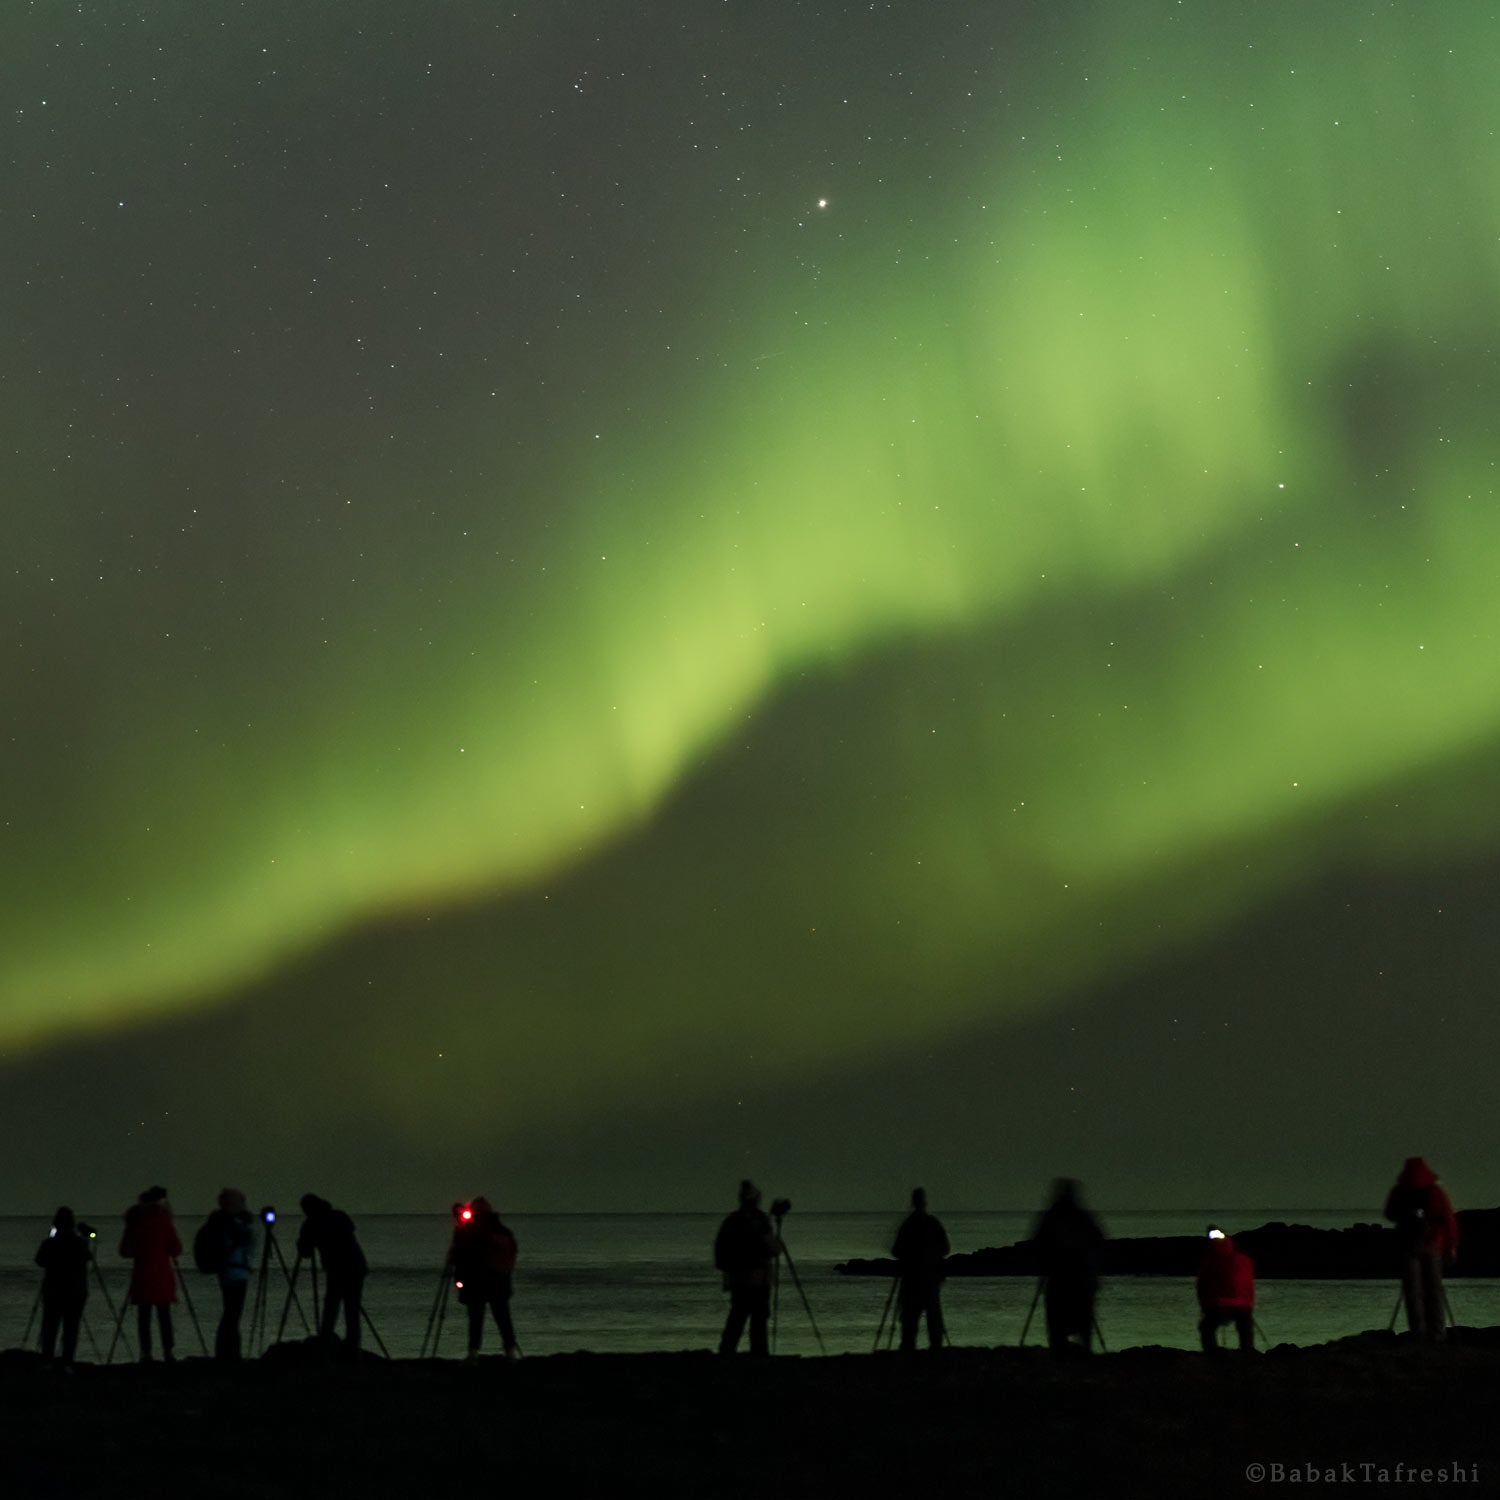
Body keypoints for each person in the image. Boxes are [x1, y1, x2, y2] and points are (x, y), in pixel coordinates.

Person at [1384, 1156, 1459, 1341]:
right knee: (1434, 1289)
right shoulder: (1435, 1192)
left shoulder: (1399, 1191)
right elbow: (1448, 1219)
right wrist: (1451, 1246)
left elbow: (1389, 1213)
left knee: (1413, 1292)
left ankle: (1418, 1332)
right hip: (1433, 1246)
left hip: (1409, 1246)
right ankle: (1437, 1333)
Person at [1031, 1178, 1106, 1354]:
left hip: (1061, 1277)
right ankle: (1083, 1352)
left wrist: (1042, 1265)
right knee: (1083, 1318)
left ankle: (1060, 1352)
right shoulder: (1082, 1217)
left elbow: (1038, 1244)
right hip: (1079, 1277)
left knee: (1058, 1320)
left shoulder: (1051, 1217)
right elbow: (1099, 1242)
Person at [713, 1180, 781, 1356]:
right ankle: (759, 1354)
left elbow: (720, 1253)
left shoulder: (731, 1221)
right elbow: (772, 1249)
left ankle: (726, 1352)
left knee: (737, 1317)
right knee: (758, 1320)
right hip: (758, 1279)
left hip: (738, 1279)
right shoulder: (760, 1221)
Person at [449, 1197, 520, 1361]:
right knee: (503, 1318)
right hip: (499, 1282)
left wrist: (459, 1282)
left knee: (476, 1319)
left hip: (476, 1283)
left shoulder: (467, 1231)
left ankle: (473, 1353)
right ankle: (510, 1352)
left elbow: (459, 1257)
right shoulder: (502, 1231)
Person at [297, 1194, 368, 1351]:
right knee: (351, 1309)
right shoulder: (339, 1216)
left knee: (332, 1306)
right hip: (355, 1266)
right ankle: (352, 1345)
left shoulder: (312, 1224)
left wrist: (307, 1239)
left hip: (339, 1269)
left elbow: (305, 1251)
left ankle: (326, 1342)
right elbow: (349, 1229)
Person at [121, 1186, 182, 1363]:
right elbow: (176, 1249)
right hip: (162, 1275)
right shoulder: (164, 1221)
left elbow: (125, 1251)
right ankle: (168, 1351)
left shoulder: (134, 1223)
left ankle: (145, 1353)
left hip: (142, 1276)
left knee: (144, 1317)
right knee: (164, 1315)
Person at [199, 1189, 256, 1362]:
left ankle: (227, 1351)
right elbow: (242, 1241)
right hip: (234, 1271)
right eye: (240, 1201)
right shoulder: (229, 1223)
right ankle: (229, 1352)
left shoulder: (224, 1222)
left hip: (234, 1271)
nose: (243, 1205)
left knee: (231, 1313)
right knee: (232, 1313)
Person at [891, 1187, 949, 1352]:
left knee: (910, 1323)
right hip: (931, 1280)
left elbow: (896, 1251)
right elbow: (945, 1248)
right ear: (925, 1202)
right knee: (934, 1320)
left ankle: (909, 1354)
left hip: (911, 1281)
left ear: (913, 1203)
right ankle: (935, 1352)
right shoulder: (933, 1223)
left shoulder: (908, 1225)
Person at [35, 1206, 90, 1370]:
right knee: (71, 1328)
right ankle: (68, 1361)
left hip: (53, 1291)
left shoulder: (49, 1243)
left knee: (50, 1326)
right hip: (76, 1291)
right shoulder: (80, 1243)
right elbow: (88, 1258)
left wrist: (52, 1237)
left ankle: (47, 1360)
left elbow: (39, 1260)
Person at [1196, 1225, 1255, 1354]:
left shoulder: (1210, 1262)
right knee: (1244, 1325)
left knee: (1206, 1327)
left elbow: (1202, 1286)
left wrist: (1205, 1305)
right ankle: (1247, 1349)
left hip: (1221, 1304)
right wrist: (1248, 1303)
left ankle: (1212, 1352)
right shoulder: (1243, 1260)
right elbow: (1248, 1285)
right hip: (1241, 1305)